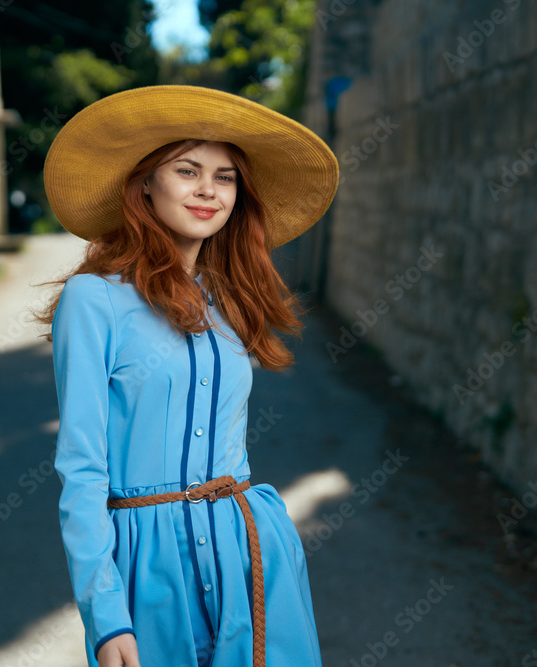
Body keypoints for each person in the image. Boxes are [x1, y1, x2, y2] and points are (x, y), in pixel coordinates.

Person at [36, 85, 339, 667]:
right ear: (144, 183)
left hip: (249, 554)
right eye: (187, 169)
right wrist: (104, 614)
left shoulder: (228, 302)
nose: (208, 190)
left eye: (225, 177)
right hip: (149, 568)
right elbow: (81, 469)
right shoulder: (93, 300)